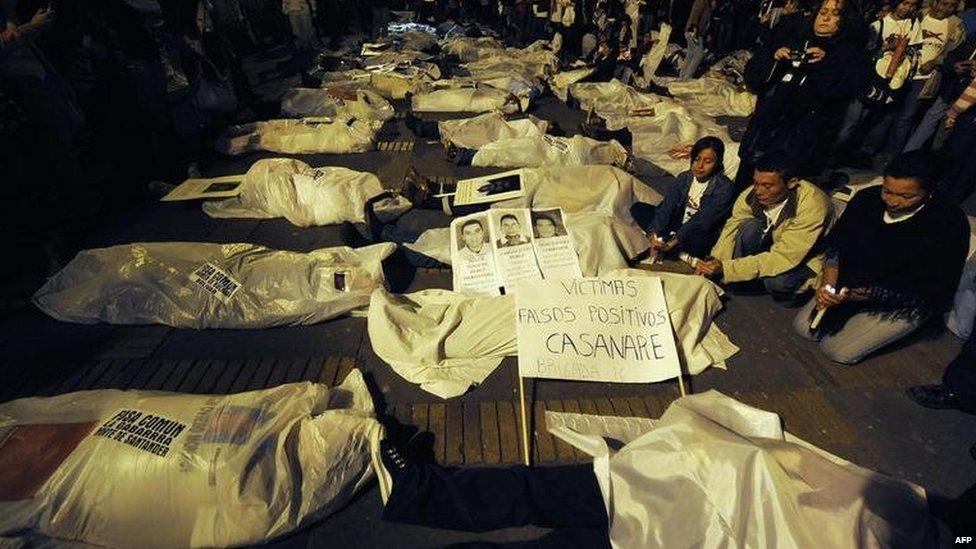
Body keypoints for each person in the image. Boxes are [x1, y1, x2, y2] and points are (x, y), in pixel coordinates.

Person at [793, 151, 968, 364]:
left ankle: (905, 326)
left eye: (906, 196)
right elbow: (837, 246)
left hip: (900, 298)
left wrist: (863, 295)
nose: (892, 201)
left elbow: (930, 283)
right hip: (849, 284)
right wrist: (828, 284)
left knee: (838, 351)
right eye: (888, 191)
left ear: (928, 192)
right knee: (804, 328)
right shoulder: (867, 199)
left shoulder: (948, 222)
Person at [734, 0, 871, 192]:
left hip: (798, 145)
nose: (826, 17)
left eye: (835, 13)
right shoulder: (792, 37)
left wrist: (824, 64)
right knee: (743, 188)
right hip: (762, 135)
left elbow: (839, 93)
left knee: (777, 195)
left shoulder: (849, 54)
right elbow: (754, 80)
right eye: (823, 11)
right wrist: (773, 57)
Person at [696, 151, 833, 302]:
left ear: (792, 183)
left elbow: (782, 257)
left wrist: (727, 269)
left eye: (767, 186)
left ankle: (795, 294)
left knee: (777, 283)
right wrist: (714, 262)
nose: (759, 191)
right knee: (748, 227)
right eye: (756, 183)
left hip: (805, 256)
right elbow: (731, 229)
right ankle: (749, 274)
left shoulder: (813, 207)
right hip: (775, 242)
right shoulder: (752, 195)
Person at [630, 136, 737, 260]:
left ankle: (675, 247)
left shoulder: (725, 188)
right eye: (697, 159)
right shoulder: (684, 178)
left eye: (708, 162)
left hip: (699, 232)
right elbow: (667, 208)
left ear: (717, 163)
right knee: (638, 209)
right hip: (678, 224)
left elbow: (702, 221)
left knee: (696, 243)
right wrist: (654, 234)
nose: (700, 166)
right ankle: (669, 244)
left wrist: (674, 241)